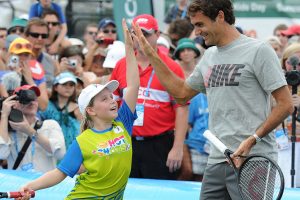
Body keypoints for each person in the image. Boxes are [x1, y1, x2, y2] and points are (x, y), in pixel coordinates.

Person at [132, 0, 293, 199]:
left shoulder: (259, 50)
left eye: (200, 24)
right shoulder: (209, 56)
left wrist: (253, 139)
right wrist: (150, 53)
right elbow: (181, 94)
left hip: (253, 159)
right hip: (217, 159)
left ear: (220, 16)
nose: (197, 32)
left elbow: (286, 105)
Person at [17, 19, 139, 200]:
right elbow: (59, 173)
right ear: (91, 110)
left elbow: (134, 86)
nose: (113, 101)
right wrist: (29, 186)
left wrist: (130, 48)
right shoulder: (82, 141)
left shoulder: (123, 123)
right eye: (104, 99)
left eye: (111, 97)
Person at [111, 14, 188, 180]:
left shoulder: (172, 67)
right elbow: (111, 103)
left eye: (144, 34)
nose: (139, 38)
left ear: (158, 35)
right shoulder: (121, 65)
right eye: (135, 33)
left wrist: (177, 148)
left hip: (159, 145)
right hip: (126, 142)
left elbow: (181, 107)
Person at [0, 85, 66, 173]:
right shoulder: (8, 129)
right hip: (18, 185)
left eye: (34, 98)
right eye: (26, 98)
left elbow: (60, 154)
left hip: (44, 185)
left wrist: (29, 131)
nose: (31, 102)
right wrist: (4, 115)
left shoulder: (50, 125)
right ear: (14, 103)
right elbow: (2, 154)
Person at [40, 72, 81, 150]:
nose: (68, 87)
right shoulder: (47, 104)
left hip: (71, 149)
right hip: (49, 148)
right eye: (64, 84)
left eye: (71, 85)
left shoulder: (78, 109)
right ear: (55, 87)